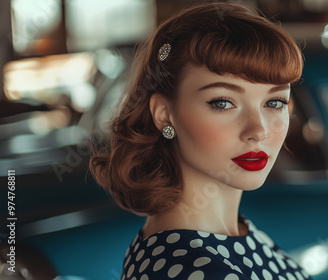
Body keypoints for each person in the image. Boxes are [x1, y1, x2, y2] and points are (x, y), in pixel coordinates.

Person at [90, 2, 310, 279]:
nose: (259, 130)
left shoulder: (235, 233)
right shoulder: (196, 268)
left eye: (275, 102)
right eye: (223, 103)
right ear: (164, 114)